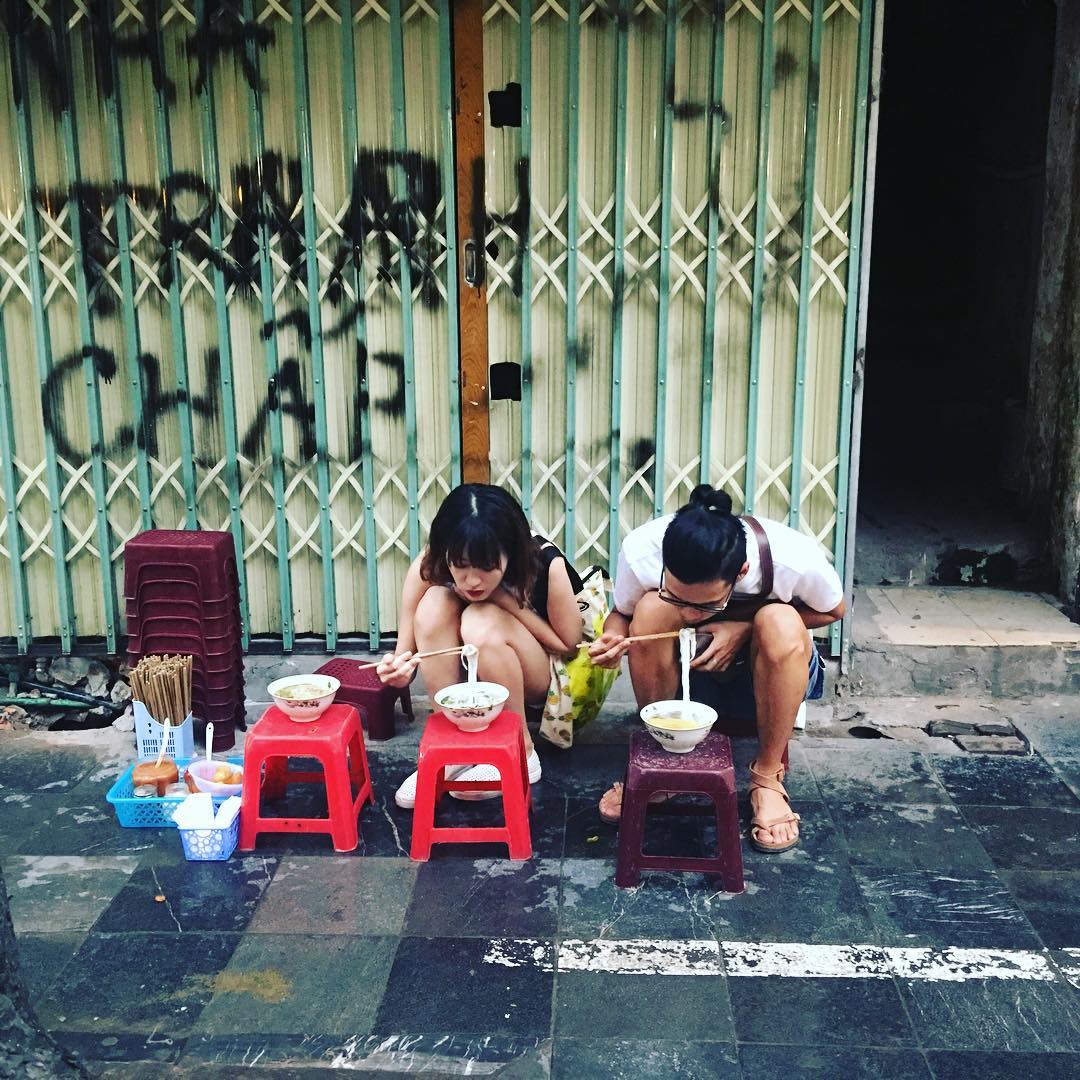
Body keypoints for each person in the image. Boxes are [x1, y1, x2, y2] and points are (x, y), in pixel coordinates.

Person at [588, 484, 845, 852]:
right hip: (689, 674)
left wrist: (743, 627)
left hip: (767, 676)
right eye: (678, 597)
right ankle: (662, 761)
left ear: (740, 572)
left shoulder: (792, 557)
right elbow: (621, 615)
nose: (691, 614)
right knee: (651, 610)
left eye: (705, 604)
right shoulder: (641, 551)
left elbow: (834, 610)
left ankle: (767, 778)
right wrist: (611, 639)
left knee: (780, 620)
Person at [377, 483, 584, 808]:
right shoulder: (432, 563)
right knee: (433, 604)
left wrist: (505, 600)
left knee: (481, 619)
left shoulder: (545, 565)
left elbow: (568, 644)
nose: (473, 580)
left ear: (509, 552)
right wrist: (399, 670)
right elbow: (406, 653)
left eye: (487, 567)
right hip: (473, 667)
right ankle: (451, 748)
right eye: (461, 565)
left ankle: (521, 753)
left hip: (541, 676)